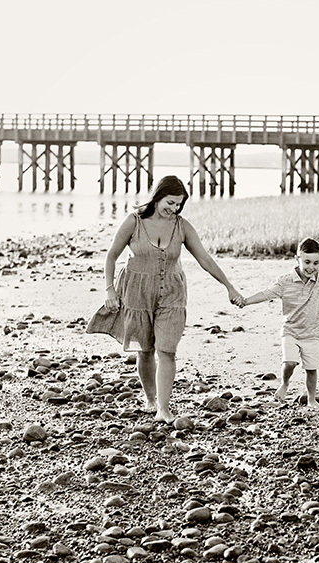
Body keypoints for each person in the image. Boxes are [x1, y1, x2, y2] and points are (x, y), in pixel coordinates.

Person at [89, 175, 244, 423]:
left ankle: (163, 407)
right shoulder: (134, 221)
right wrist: (109, 289)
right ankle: (150, 398)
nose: (173, 209)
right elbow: (111, 256)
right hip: (136, 292)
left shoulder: (182, 226)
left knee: (167, 350)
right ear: (158, 196)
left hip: (172, 293)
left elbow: (205, 259)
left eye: (178, 205)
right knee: (146, 350)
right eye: (170, 202)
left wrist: (229, 287)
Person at [238, 237, 319, 409]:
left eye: (316, 263)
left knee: (312, 369)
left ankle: (312, 399)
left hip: (312, 333)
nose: (311, 267)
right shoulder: (285, 281)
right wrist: (246, 301)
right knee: (289, 362)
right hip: (290, 331)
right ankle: (285, 383)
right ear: (298, 259)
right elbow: (266, 294)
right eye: (307, 262)